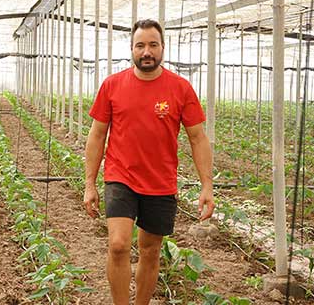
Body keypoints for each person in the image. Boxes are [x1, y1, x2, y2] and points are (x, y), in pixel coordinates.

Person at [83, 19, 215, 304]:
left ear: (162, 48)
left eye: (153, 45)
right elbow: (97, 136)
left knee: (150, 250)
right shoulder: (112, 85)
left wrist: (207, 186)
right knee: (118, 245)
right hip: (120, 176)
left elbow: (198, 138)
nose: (147, 51)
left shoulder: (180, 88)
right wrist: (89, 184)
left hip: (160, 182)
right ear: (131, 49)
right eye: (140, 45)